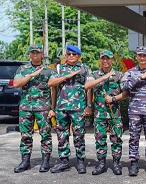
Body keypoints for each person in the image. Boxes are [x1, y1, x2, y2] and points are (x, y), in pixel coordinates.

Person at [48, 45, 92, 174]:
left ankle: (80, 161)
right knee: (62, 135)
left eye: (74, 54)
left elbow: (89, 88)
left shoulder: (85, 69)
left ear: (79, 56)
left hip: (78, 107)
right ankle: (64, 161)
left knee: (79, 135)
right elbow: (51, 84)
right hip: (61, 107)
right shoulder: (59, 68)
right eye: (69, 54)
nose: (71, 56)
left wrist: (89, 106)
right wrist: (67, 76)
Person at [13, 43, 56, 173]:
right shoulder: (23, 69)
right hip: (26, 107)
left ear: (42, 55)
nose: (35, 55)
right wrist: (31, 75)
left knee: (45, 135)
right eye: (32, 52)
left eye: (37, 52)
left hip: (43, 107)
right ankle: (25, 161)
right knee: (25, 135)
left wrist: (52, 108)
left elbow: (53, 90)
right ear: (30, 54)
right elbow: (16, 84)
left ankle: (45, 161)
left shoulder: (49, 70)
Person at [84, 49, 127, 176]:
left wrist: (114, 98)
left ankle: (116, 163)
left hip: (115, 113)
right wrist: (104, 77)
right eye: (103, 58)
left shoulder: (119, 75)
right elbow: (87, 86)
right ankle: (101, 163)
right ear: (100, 60)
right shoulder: (94, 74)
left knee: (116, 139)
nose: (105, 61)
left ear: (112, 60)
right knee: (100, 139)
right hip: (99, 113)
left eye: (108, 58)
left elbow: (126, 93)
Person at [121, 46, 146, 176]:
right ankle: (134, 163)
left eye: (145, 56)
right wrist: (140, 78)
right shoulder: (130, 72)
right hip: (134, 110)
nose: (142, 58)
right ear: (136, 57)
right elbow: (124, 87)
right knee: (134, 138)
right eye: (140, 55)